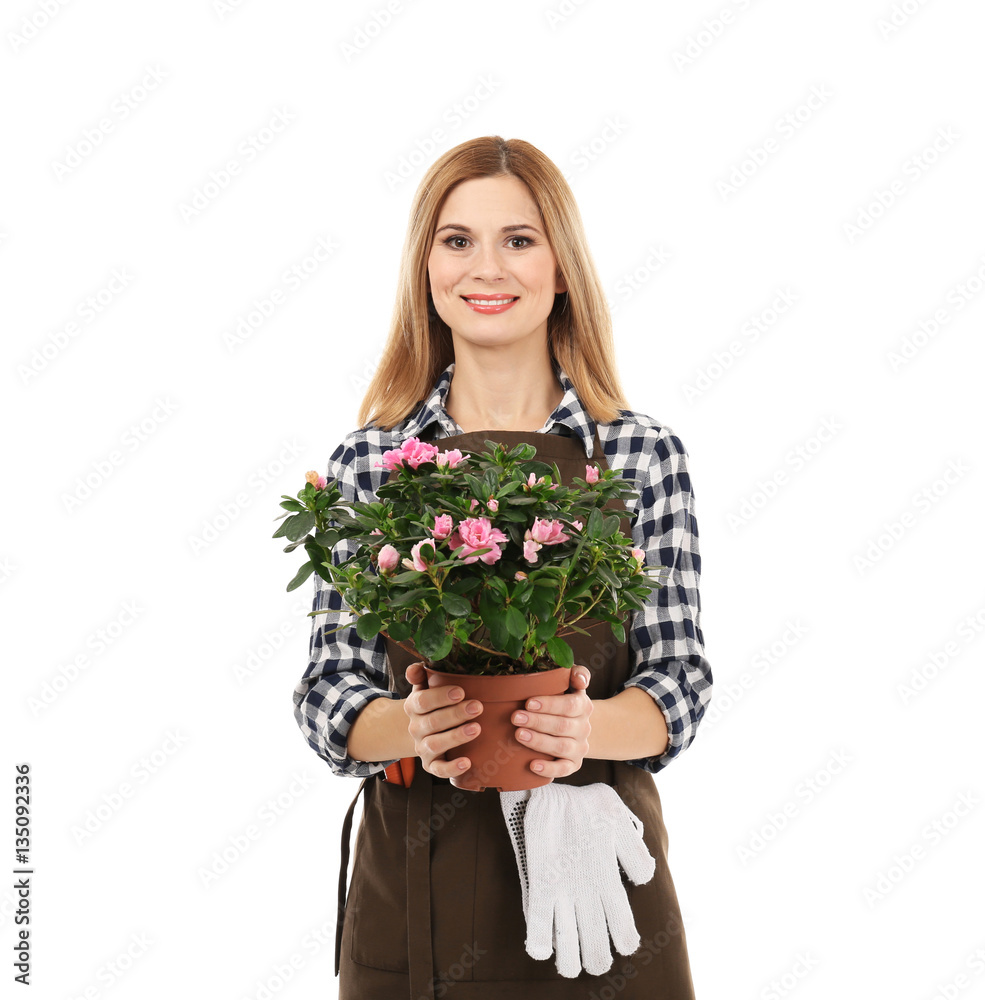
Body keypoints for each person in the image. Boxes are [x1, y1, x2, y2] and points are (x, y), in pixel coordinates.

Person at [292, 135, 712, 999]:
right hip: (417, 878)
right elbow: (328, 689)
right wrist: (414, 727)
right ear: (426, 269)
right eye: (457, 240)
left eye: (518, 240)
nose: (487, 267)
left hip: (600, 874)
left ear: (561, 267)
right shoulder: (369, 461)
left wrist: (581, 733)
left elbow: (680, 680)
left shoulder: (639, 454)